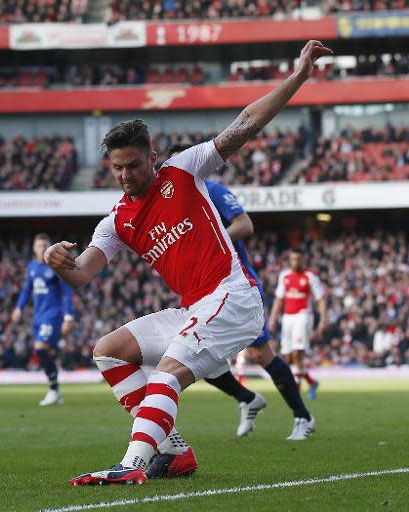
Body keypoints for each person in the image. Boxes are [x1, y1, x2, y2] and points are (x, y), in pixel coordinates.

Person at [44, 40, 332, 485]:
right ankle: (173, 451)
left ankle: (132, 465)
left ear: (153, 159)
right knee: (107, 352)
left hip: (233, 297)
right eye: (117, 168)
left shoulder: (183, 170)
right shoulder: (116, 222)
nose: (125, 175)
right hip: (193, 307)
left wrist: (295, 78)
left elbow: (244, 124)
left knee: (169, 371)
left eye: (133, 165)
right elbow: (81, 273)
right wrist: (56, 259)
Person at [202, 179, 315, 441]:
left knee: (262, 355)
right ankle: (246, 397)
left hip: (237, 285)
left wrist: (209, 241)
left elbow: (244, 225)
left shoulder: (212, 191)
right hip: (203, 289)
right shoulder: (175, 205)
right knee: (198, 356)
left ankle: (303, 416)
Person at [11, 233, 75, 406]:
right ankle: (55, 391)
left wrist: (68, 317)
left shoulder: (55, 266)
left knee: (40, 349)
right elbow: (26, 290)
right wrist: (19, 308)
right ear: (34, 248)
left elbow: (66, 292)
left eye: (44, 245)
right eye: (38, 245)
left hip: (52, 315)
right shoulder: (32, 267)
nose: (41, 249)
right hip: (37, 316)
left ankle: (53, 390)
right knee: (48, 353)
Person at [268, 249, 326, 403]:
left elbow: (321, 299)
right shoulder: (284, 276)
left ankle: (296, 393)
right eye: (293, 259)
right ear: (290, 260)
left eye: (298, 259)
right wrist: (272, 319)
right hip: (287, 317)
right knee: (289, 357)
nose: (296, 262)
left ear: (303, 260)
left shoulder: (310, 277)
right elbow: (279, 299)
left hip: (303, 316)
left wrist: (322, 321)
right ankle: (312, 382)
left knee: (297, 352)